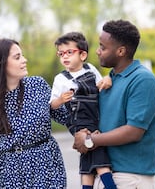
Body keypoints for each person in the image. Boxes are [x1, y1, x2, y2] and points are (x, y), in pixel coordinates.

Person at [0, 38, 69, 189]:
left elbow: (65, 116)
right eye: (17, 57)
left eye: (22, 55)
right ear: (1, 64)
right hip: (11, 176)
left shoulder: (38, 85)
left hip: (48, 168)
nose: (24, 60)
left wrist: (88, 135)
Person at [73, 20, 155, 189]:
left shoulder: (143, 80)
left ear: (121, 51)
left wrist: (89, 140)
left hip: (129, 177)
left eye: (103, 47)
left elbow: (133, 132)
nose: (98, 51)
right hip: (107, 174)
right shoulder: (109, 80)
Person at [50, 32, 117, 189]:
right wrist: (60, 100)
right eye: (60, 54)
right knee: (99, 157)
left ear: (83, 54)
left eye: (69, 52)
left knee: (88, 156)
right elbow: (52, 105)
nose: (64, 57)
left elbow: (101, 85)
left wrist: (108, 79)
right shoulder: (60, 79)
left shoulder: (90, 69)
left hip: (95, 118)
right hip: (78, 122)